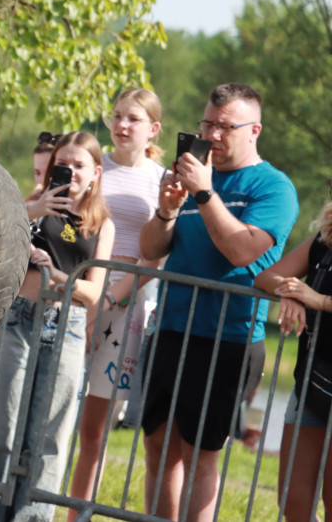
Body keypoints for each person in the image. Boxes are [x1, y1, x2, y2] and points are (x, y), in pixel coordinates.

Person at [139, 82, 297, 521]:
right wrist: (168, 209)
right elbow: (151, 250)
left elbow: (242, 251)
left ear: (254, 130)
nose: (211, 135)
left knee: (200, 453)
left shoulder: (274, 188)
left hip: (227, 336)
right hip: (171, 326)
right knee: (158, 445)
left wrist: (206, 195)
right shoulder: (193, 174)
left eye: (225, 127)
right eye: (207, 124)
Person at [0, 131, 115, 522]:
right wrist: (32, 213)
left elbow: (93, 292)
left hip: (67, 324)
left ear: (95, 173)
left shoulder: (102, 225)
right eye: (62, 165)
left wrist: (53, 272)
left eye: (78, 166)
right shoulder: (28, 205)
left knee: (49, 440)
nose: (69, 172)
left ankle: (33, 518)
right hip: (19, 316)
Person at [68, 88, 165, 518]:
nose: (123, 125)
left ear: (153, 129)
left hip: (124, 306)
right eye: (117, 116)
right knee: (52, 410)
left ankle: (77, 512)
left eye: (134, 119)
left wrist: (108, 299)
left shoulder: (161, 179)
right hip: (76, 294)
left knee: (94, 427)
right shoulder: (92, 167)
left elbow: (155, 255)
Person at [255, 196, 332, 521]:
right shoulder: (324, 241)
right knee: (293, 501)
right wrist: (293, 294)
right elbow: (264, 276)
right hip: (312, 382)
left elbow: (316, 298)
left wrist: (318, 300)